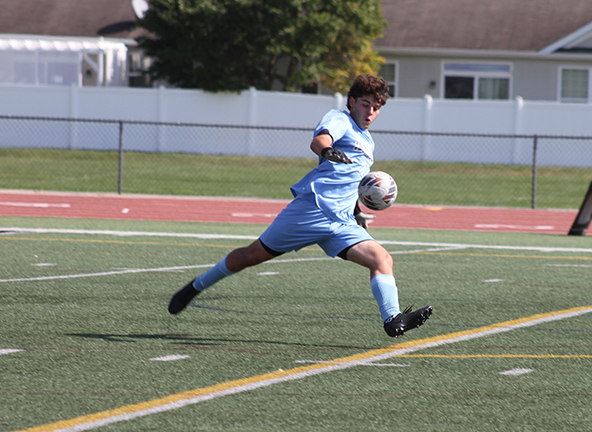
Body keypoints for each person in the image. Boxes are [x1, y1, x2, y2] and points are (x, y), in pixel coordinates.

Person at [168, 75, 432, 337]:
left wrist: (355, 211)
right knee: (250, 256)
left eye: (376, 108)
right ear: (352, 102)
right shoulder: (340, 119)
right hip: (311, 211)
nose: (370, 112)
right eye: (365, 104)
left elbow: (351, 183)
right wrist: (327, 151)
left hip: (341, 222)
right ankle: (196, 286)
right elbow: (319, 140)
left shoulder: (369, 142)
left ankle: (392, 319)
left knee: (382, 259)